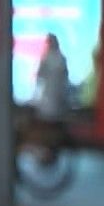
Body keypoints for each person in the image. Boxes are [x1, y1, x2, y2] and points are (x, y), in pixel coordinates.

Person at [30, 33, 74, 164]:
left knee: (44, 129)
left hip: (48, 104)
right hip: (58, 103)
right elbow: (65, 80)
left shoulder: (47, 58)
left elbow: (39, 76)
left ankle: (46, 153)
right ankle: (51, 153)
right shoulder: (61, 59)